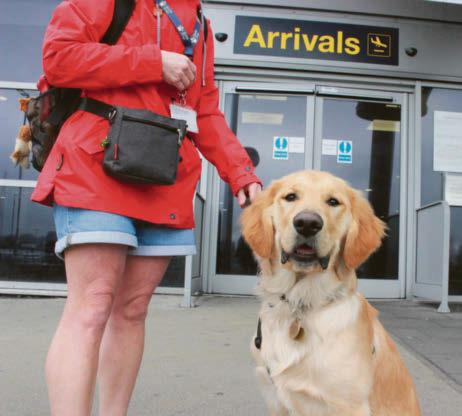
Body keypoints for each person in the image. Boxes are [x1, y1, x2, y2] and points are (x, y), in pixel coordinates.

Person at [31, 1, 262, 415]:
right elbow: (59, 58)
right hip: (95, 164)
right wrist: (153, 62)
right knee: (93, 304)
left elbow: (204, 109)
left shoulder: (201, 23)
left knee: (132, 310)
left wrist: (240, 173)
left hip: (163, 173)